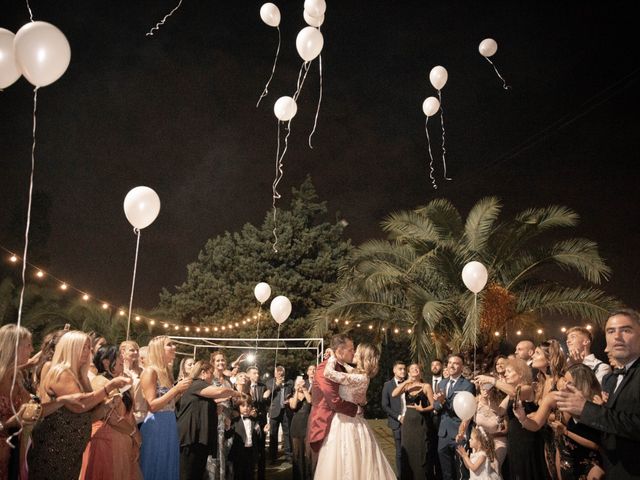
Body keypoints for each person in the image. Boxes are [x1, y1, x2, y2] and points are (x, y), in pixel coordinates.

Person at [29, 331, 130, 479]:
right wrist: (108, 388)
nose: (89, 351)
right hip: (55, 444)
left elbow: (89, 415)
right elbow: (79, 405)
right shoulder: (60, 372)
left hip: (72, 449)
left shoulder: (82, 377)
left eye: (89, 347)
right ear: (71, 348)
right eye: (84, 347)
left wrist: (108, 406)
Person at [555, 308, 640, 479]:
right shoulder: (609, 379)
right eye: (611, 331)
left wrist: (586, 408)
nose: (617, 336)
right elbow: (610, 426)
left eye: (626, 330)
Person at [314, 343, 396, 479]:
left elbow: (329, 373)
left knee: (349, 458)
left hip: (348, 422)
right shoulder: (359, 374)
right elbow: (346, 368)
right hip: (347, 418)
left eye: (357, 352)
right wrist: (337, 357)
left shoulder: (360, 378)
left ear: (363, 357)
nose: (354, 354)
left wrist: (332, 357)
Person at [516, 364, 604, 480]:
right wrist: (522, 418)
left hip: (590, 461)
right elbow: (536, 424)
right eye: (564, 380)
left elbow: (595, 445)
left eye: (570, 383)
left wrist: (565, 431)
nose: (564, 385)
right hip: (564, 458)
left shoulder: (594, 402)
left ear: (582, 386)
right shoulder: (554, 398)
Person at [478, 357, 549, 480]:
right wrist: (486, 398)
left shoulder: (527, 388)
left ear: (520, 373)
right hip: (514, 439)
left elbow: (515, 393)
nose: (505, 374)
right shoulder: (510, 394)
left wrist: (492, 380)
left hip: (528, 439)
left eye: (509, 371)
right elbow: (499, 411)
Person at [79, 345, 142, 480]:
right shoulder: (100, 382)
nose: (122, 359)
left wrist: (134, 440)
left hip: (123, 443)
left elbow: (129, 413)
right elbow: (112, 418)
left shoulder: (121, 382)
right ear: (106, 362)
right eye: (118, 356)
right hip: (107, 444)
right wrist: (134, 434)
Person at [176, 361, 241, 480]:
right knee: (187, 472)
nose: (213, 376)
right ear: (203, 373)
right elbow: (219, 391)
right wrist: (236, 393)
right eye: (211, 373)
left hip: (199, 439)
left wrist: (216, 407)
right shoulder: (197, 384)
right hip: (191, 437)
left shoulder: (202, 389)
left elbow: (202, 405)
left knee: (196, 472)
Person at [139, 336, 192, 479]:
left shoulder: (167, 372)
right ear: (158, 349)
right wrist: (175, 389)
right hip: (156, 425)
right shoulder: (150, 372)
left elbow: (169, 403)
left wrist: (180, 392)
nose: (174, 347)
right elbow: (152, 405)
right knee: (155, 465)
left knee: (167, 466)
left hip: (169, 423)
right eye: (170, 345)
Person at [433, 354, 476, 480]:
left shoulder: (467, 385)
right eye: (450, 362)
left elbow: (463, 409)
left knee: (461, 470)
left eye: (456, 363)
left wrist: (443, 400)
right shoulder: (441, 383)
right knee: (446, 471)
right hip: (443, 434)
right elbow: (436, 406)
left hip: (459, 432)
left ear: (462, 367)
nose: (452, 365)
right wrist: (440, 402)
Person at [392, 363, 435, 480]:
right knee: (408, 451)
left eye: (417, 368)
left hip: (420, 421)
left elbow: (433, 405)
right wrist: (406, 382)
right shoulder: (407, 386)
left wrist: (423, 409)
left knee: (420, 452)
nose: (415, 370)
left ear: (420, 372)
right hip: (408, 424)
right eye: (412, 369)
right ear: (409, 373)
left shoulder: (426, 386)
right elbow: (394, 394)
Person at [227, 397, 265, 480]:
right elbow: (227, 435)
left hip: (251, 452)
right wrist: (227, 427)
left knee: (250, 474)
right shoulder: (235, 421)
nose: (245, 408)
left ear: (251, 407)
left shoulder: (255, 421)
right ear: (239, 407)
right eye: (243, 406)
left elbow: (258, 437)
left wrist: (263, 431)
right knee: (238, 474)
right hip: (239, 453)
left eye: (248, 406)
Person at [381, 360, 406, 476]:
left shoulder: (409, 383)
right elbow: (385, 405)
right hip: (397, 423)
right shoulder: (388, 385)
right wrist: (399, 417)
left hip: (411, 422)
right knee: (400, 452)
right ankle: (400, 476)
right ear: (394, 370)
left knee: (411, 450)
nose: (403, 371)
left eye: (404, 369)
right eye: (400, 369)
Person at [265, 365, 293, 463]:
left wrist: (289, 400)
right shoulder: (270, 382)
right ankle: (273, 457)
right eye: (278, 371)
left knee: (287, 433)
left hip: (286, 411)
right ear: (275, 373)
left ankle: (288, 455)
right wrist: (277, 384)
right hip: (274, 411)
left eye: (282, 371)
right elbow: (268, 395)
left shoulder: (290, 382)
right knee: (273, 434)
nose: (280, 373)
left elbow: (292, 394)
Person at [247, 366, 270, 480]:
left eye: (258, 373)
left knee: (261, 450)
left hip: (261, 422)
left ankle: (262, 476)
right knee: (250, 449)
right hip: (249, 422)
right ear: (249, 375)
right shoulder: (245, 387)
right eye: (254, 373)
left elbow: (267, 405)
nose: (257, 375)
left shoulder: (263, 386)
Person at [289, 375, 312, 480]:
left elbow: (310, 401)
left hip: (307, 425)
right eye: (298, 383)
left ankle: (308, 476)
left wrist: (304, 389)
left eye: (302, 382)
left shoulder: (308, 393)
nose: (300, 384)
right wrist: (297, 391)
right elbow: (293, 406)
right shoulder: (291, 396)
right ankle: (298, 476)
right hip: (296, 426)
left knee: (307, 454)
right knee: (297, 453)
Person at [120, 340, 147, 426]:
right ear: (122, 352)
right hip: (128, 416)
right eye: (132, 350)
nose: (135, 352)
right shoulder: (120, 371)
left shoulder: (142, 370)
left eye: (137, 350)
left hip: (143, 415)